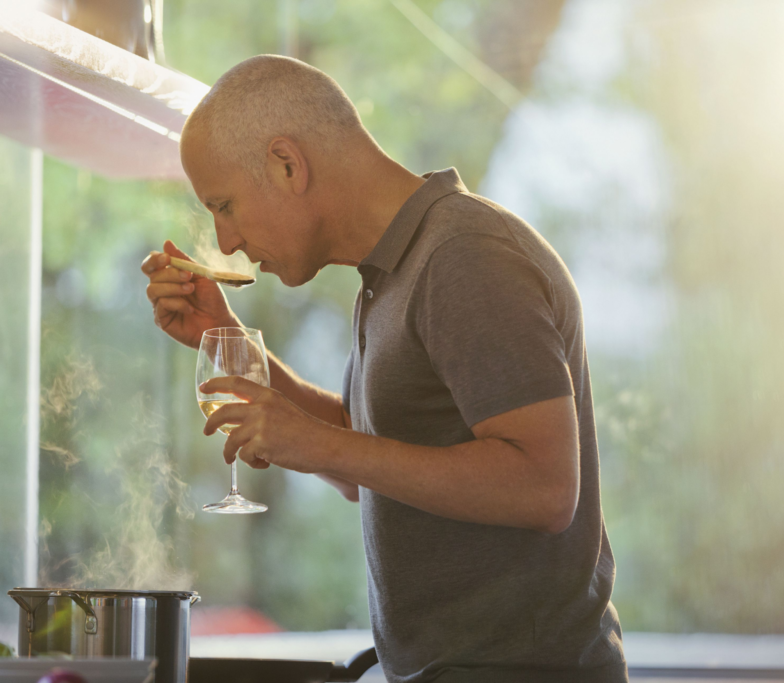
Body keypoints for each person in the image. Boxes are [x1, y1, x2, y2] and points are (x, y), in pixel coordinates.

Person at [141, 55, 626, 683]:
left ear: (287, 165)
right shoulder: (390, 274)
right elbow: (362, 461)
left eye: (225, 204)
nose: (225, 240)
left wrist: (321, 443)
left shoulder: (464, 258)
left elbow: (545, 486)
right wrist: (226, 338)